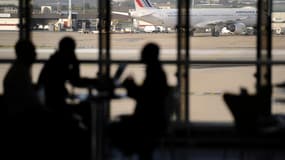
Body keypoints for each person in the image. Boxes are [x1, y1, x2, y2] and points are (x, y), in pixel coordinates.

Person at [107, 43, 169, 160]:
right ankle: (135, 150)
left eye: (143, 53)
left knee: (112, 128)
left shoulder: (154, 73)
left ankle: (131, 150)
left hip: (148, 120)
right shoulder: (157, 71)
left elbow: (145, 98)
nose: (141, 56)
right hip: (154, 118)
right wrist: (133, 87)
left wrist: (130, 86)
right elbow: (147, 95)